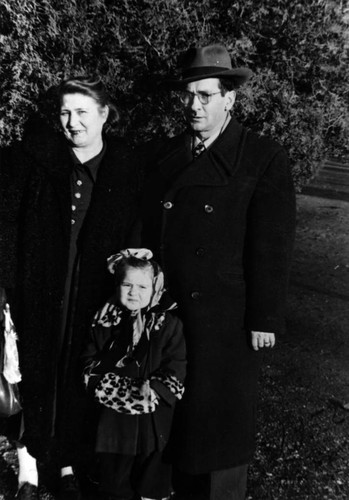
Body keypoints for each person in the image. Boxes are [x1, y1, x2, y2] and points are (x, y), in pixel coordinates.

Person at [137, 44, 296, 499]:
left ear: (230, 98)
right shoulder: (166, 154)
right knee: (176, 419)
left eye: (205, 96)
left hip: (224, 316)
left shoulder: (261, 156)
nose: (194, 106)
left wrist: (264, 318)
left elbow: (272, 244)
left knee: (218, 425)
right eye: (188, 96)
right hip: (170, 310)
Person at [0, 76, 143, 500]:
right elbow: (8, 228)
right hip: (39, 291)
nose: (72, 122)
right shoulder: (36, 164)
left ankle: (66, 465)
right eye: (65, 112)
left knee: (76, 375)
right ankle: (28, 468)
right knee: (29, 372)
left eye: (82, 112)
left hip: (91, 295)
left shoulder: (124, 169)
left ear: (104, 115)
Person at [81, 248, 186, 500]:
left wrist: (159, 388)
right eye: (127, 285)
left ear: (155, 289)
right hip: (115, 422)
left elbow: (177, 362)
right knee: (114, 480)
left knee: (153, 476)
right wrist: (107, 386)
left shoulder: (168, 325)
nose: (133, 293)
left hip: (152, 417)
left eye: (142, 287)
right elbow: (89, 360)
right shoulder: (105, 320)